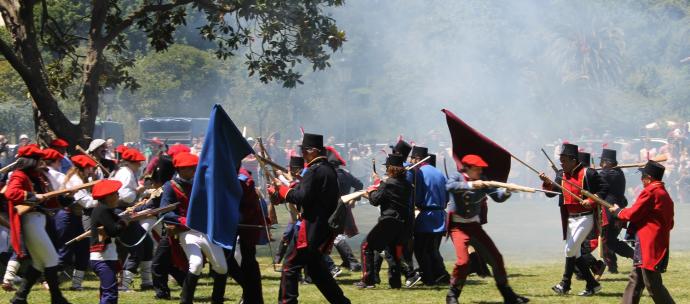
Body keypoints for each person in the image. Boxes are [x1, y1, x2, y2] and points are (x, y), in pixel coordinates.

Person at [272, 133, 350, 304]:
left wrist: (283, 190)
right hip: (321, 228)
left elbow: (301, 198)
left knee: (290, 266)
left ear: (312, 151)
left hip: (310, 229)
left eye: (304, 152)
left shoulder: (314, 170)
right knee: (317, 271)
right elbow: (310, 194)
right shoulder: (327, 169)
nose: (303, 155)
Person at [445, 155, 529, 304]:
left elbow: (497, 196)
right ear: (468, 168)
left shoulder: (484, 179)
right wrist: (472, 185)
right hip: (458, 227)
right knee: (463, 262)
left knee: (496, 258)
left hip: (474, 227)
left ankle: (508, 295)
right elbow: (449, 186)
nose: (480, 172)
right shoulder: (456, 176)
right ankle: (453, 294)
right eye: (477, 169)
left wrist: (508, 191)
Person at [540, 143, 609, 296]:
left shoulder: (588, 173)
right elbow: (552, 193)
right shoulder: (561, 175)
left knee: (570, 250)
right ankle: (592, 284)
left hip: (586, 218)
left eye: (564, 161)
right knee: (575, 253)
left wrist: (591, 200)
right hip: (570, 219)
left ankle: (565, 283)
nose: (562, 164)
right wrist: (547, 182)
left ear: (572, 160)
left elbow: (604, 188)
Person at [5, 145, 70, 304]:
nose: (42, 162)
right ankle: (57, 298)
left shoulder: (38, 176)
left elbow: (49, 199)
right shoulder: (19, 175)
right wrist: (32, 195)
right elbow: (11, 193)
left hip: (41, 219)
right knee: (52, 259)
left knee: (39, 263)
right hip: (30, 220)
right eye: (39, 159)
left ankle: (20, 298)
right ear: (30, 161)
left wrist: (66, 198)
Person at [160, 152, 228, 304]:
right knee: (196, 264)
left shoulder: (201, 183)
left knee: (222, 267)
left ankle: (217, 300)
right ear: (180, 169)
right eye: (190, 168)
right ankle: (186, 301)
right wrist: (185, 220)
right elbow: (165, 212)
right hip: (186, 231)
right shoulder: (170, 186)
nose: (194, 170)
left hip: (206, 230)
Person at [609, 161, 675, 304]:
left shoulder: (650, 192)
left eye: (643, 176)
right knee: (635, 280)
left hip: (649, 244)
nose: (641, 180)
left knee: (652, 285)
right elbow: (669, 223)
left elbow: (633, 213)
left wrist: (618, 212)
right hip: (651, 242)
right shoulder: (664, 194)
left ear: (649, 177)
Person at [354, 154, 412, 289]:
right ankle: (395, 282)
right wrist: (380, 183)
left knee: (366, 246)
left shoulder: (388, 184)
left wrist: (375, 185)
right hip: (402, 222)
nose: (386, 170)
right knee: (392, 252)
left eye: (387, 167)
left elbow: (375, 200)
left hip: (388, 221)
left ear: (391, 168)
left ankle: (368, 279)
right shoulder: (407, 184)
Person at [112, 148, 152, 291]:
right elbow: (124, 195)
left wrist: (145, 192)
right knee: (136, 248)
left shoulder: (128, 172)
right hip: (122, 212)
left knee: (147, 244)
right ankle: (124, 285)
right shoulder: (126, 174)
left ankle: (147, 282)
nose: (139, 165)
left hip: (127, 211)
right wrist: (137, 191)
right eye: (137, 163)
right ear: (130, 162)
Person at [57, 155, 98, 291]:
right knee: (65, 253)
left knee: (83, 251)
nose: (90, 171)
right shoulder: (75, 180)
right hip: (67, 218)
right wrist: (104, 199)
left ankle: (76, 284)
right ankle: (48, 279)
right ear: (84, 168)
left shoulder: (80, 178)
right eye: (89, 168)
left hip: (76, 218)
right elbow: (86, 202)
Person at [409, 146, 449, 286]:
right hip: (439, 214)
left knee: (420, 249)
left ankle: (429, 278)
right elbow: (447, 196)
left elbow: (417, 197)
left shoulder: (419, 173)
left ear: (417, 159)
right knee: (432, 249)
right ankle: (442, 275)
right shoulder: (438, 172)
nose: (411, 161)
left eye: (412, 159)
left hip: (427, 214)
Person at [89, 179, 133, 304]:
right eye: (116, 193)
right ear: (108, 196)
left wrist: (124, 218)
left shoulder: (104, 210)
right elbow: (114, 231)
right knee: (110, 294)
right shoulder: (103, 210)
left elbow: (116, 223)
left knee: (107, 292)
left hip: (106, 257)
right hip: (103, 259)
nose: (118, 196)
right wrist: (124, 222)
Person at [598, 149, 634, 274]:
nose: (601, 164)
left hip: (613, 212)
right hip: (612, 210)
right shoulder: (614, 172)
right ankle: (612, 266)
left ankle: (635, 256)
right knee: (607, 239)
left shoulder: (611, 173)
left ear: (607, 162)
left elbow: (599, 177)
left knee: (609, 240)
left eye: (602, 162)